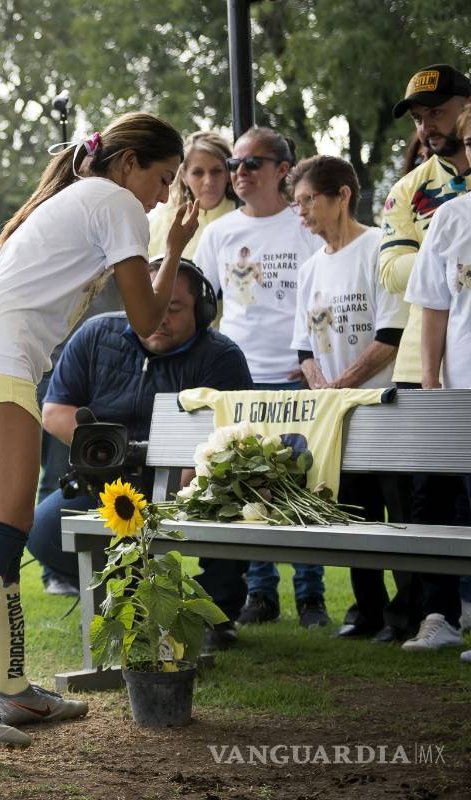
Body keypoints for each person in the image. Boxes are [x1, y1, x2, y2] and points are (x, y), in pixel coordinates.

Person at [0, 112, 200, 747]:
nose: (162, 195)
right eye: (162, 179)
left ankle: (13, 689)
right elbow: (147, 318)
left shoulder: (89, 195)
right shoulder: (116, 201)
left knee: (4, 528)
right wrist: (175, 245)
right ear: (128, 163)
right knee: (3, 527)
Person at [26, 259, 253, 647]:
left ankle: (217, 612)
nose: (158, 318)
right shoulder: (95, 334)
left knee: (228, 502)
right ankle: (131, 596)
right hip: (108, 482)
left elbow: (231, 436)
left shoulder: (222, 357)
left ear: (201, 311)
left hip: (187, 483)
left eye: (174, 308)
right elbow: (54, 412)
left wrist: (191, 487)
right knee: (42, 528)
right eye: (148, 304)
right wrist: (106, 453)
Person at [193, 126, 327, 627]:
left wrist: (314, 357)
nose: (238, 173)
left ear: (281, 170)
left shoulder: (305, 224)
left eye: (251, 163)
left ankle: (311, 595)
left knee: (303, 486)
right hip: (240, 380)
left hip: (300, 376)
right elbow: (204, 304)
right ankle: (259, 594)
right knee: (247, 490)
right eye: (234, 165)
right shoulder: (221, 232)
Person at [288, 155, 410, 638]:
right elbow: (303, 344)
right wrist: (320, 382)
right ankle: (368, 610)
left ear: (342, 196)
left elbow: (391, 335)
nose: (301, 213)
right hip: (336, 413)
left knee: (397, 511)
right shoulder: (312, 267)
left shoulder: (380, 247)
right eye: (296, 204)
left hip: (384, 404)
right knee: (355, 512)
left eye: (308, 201)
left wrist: (343, 383)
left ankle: (408, 612)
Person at [379, 64, 471, 644]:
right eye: (418, 117)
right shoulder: (411, 188)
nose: (428, 125)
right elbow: (391, 269)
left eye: (436, 112)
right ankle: (438, 615)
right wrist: (446, 258)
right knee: (429, 494)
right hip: (426, 362)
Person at [405, 104, 471, 664]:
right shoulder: (453, 217)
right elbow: (433, 307)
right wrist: (430, 383)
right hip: (462, 392)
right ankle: (444, 620)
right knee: (453, 512)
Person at [147, 131, 238, 260]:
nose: (209, 181)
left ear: (229, 173)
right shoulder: (159, 223)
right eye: (198, 173)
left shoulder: (247, 215)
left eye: (216, 171)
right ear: (184, 176)